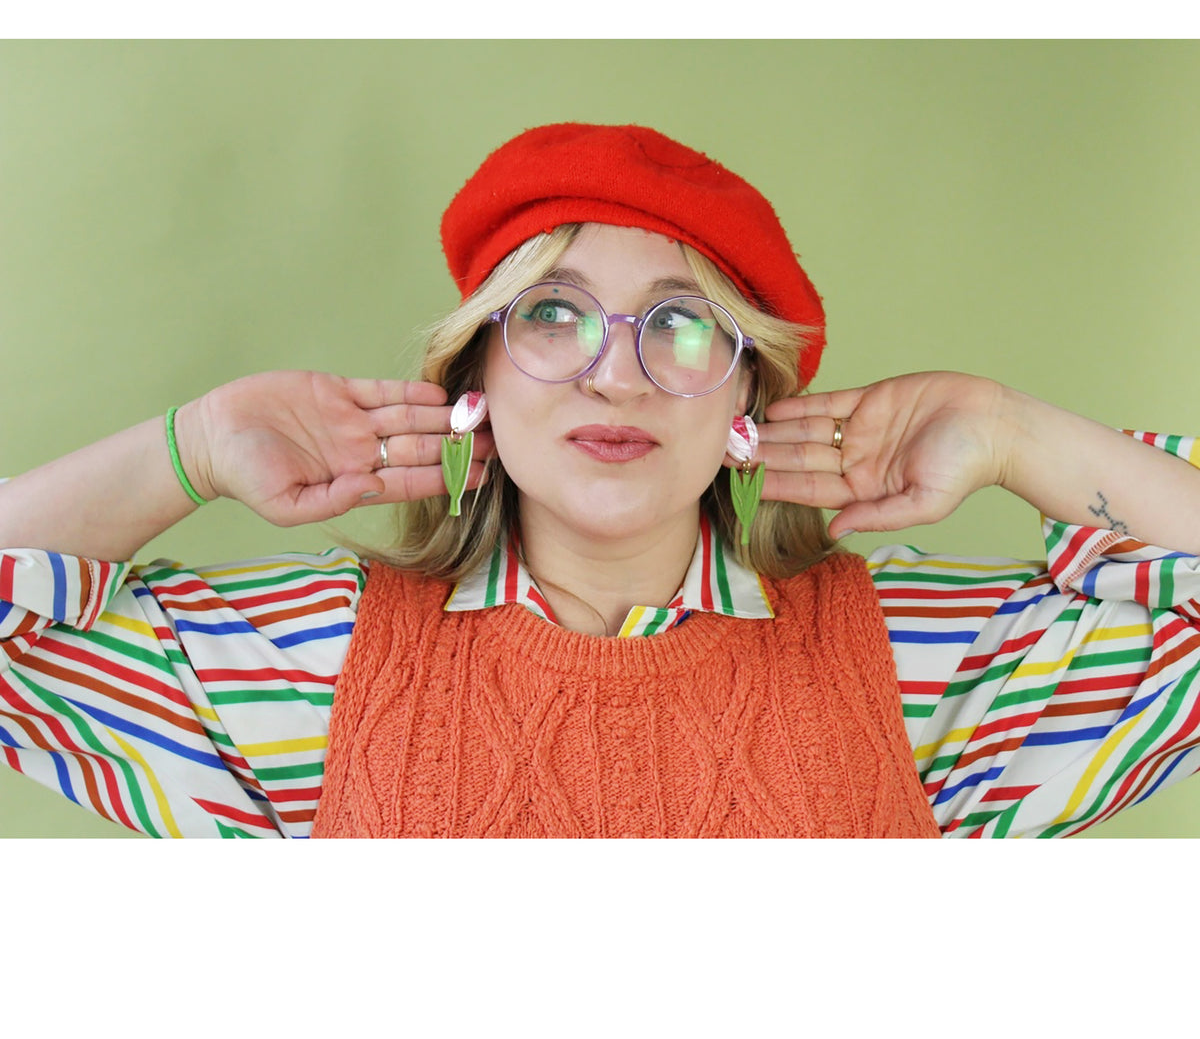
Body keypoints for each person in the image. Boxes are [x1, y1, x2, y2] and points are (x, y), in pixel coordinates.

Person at [3, 121, 1200, 838]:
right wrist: (196, 447)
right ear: (474, 376)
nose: (615, 378)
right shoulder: (318, 664)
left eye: (682, 327)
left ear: (747, 403)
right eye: (553, 317)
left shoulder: (912, 660)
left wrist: (1010, 433)